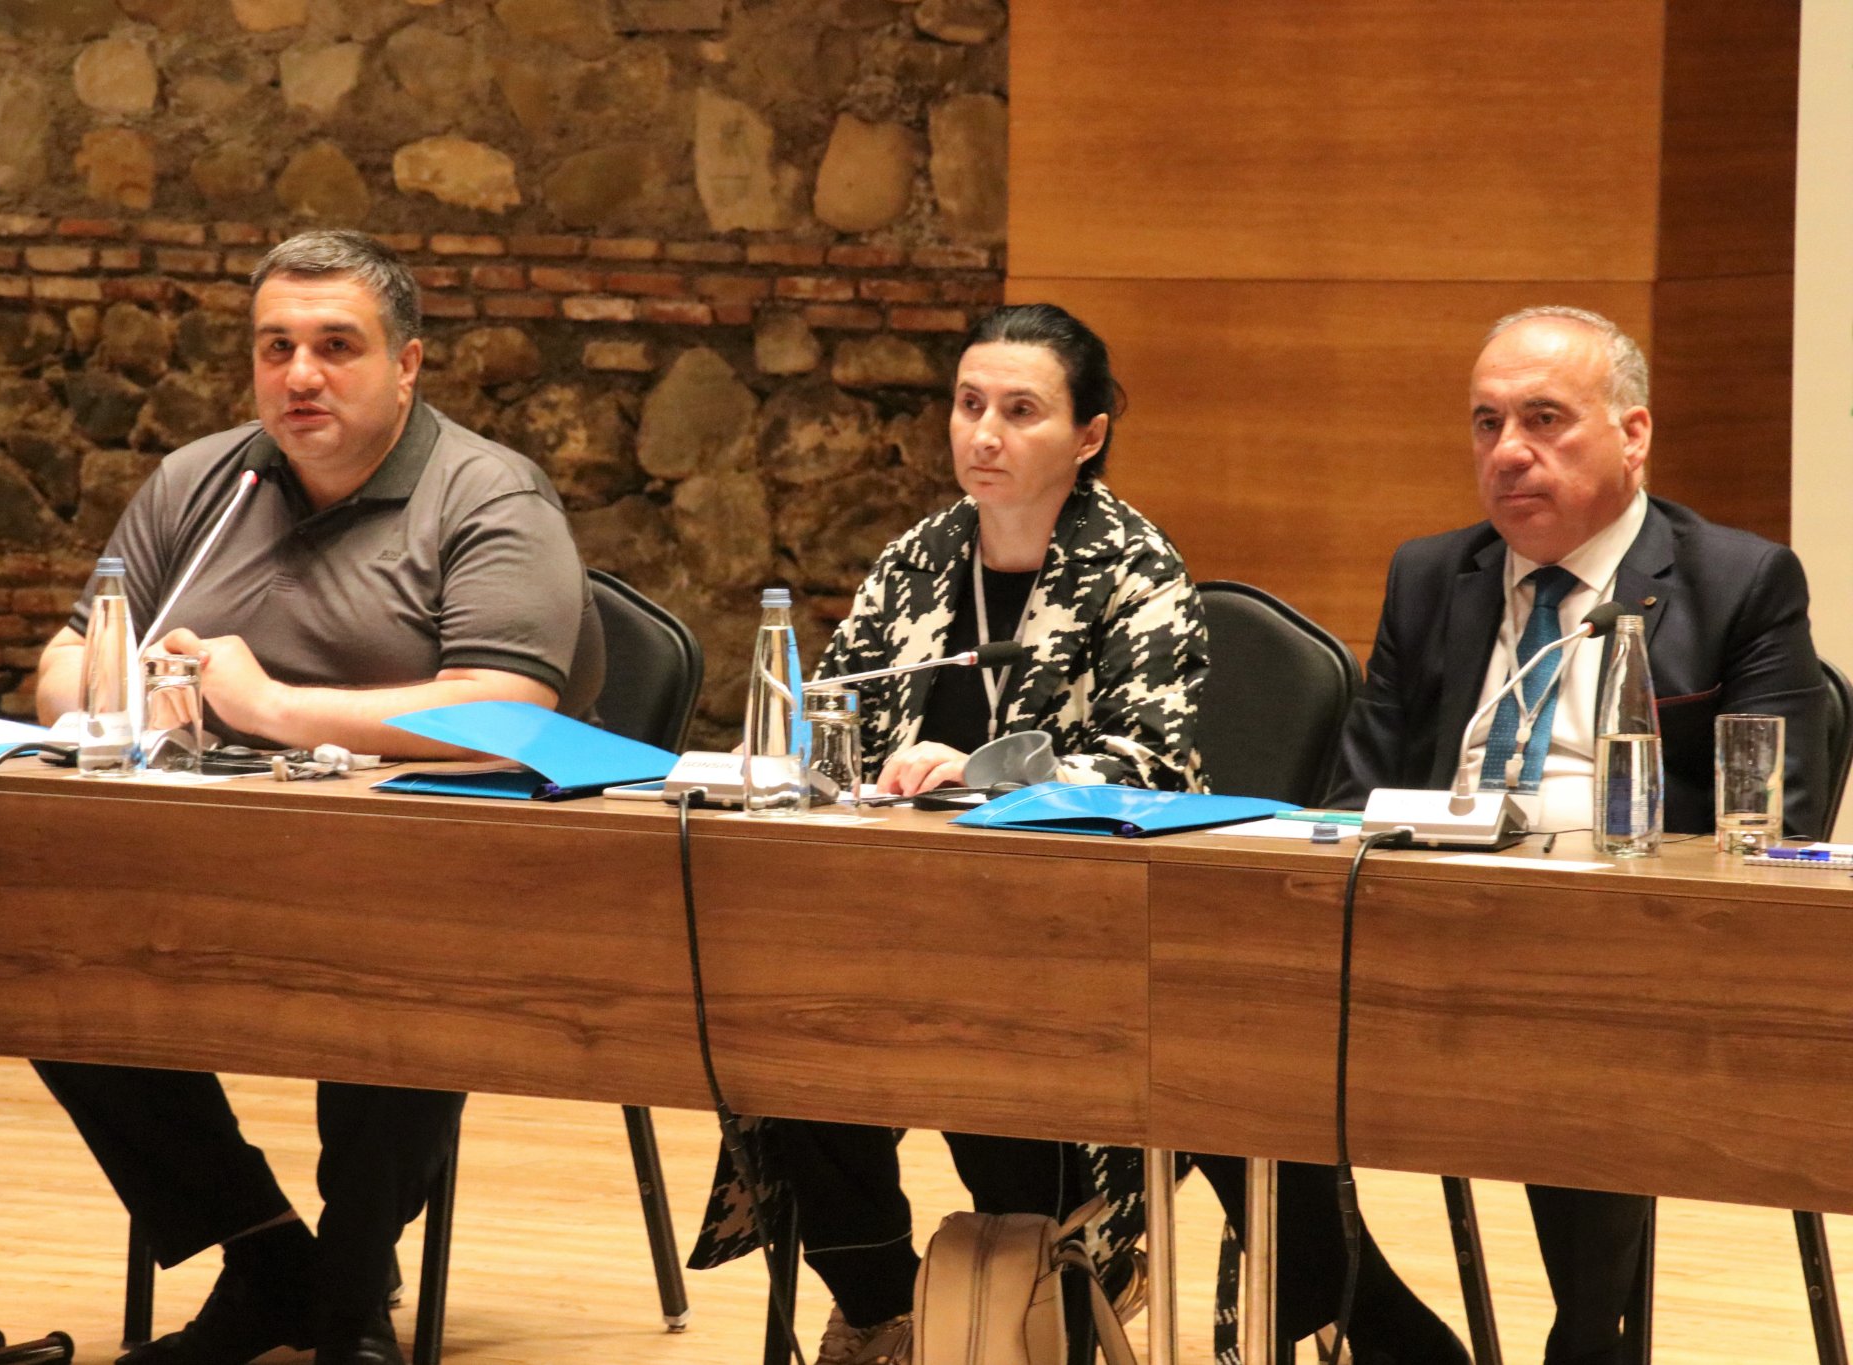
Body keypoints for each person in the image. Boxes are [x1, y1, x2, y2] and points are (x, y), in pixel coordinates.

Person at [30, 229, 604, 1365]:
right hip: (215, 856)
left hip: (431, 873)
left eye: (337, 346)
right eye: (275, 347)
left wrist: (273, 704)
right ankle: (269, 1256)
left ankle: (348, 1282)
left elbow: (509, 708)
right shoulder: (202, 482)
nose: (300, 375)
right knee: (43, 958)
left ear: (408, 364)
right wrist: (123, 691)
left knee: (392, 965)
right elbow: (64, 662)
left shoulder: (487, 494)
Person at [691, 302, 1205, 1365]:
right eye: (970, 405)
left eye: (1020, 411)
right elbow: (829, 722)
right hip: (891, 919)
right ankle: (880, 1307)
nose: (984, 434)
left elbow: (1154, 767)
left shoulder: (1134, 568)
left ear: (1089, 435)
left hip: (1064, 943)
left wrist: (986, 773)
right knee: (783, 1032)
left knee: (981, 1051)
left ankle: (1043, 1284)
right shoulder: (917, 557)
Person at [1328, 305, 1830, 1364]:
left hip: (1626, 957)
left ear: (1632, 434)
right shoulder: (1430, 576)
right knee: (1208, 1056)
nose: (1508, 451)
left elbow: (1773, 826)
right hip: (1427, 932)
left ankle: (1589, 1339)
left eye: (1543, 419)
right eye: (1486, 423)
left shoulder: (1738, 582)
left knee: (1573, 1020)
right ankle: (1391, 1333)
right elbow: (1353, 797)